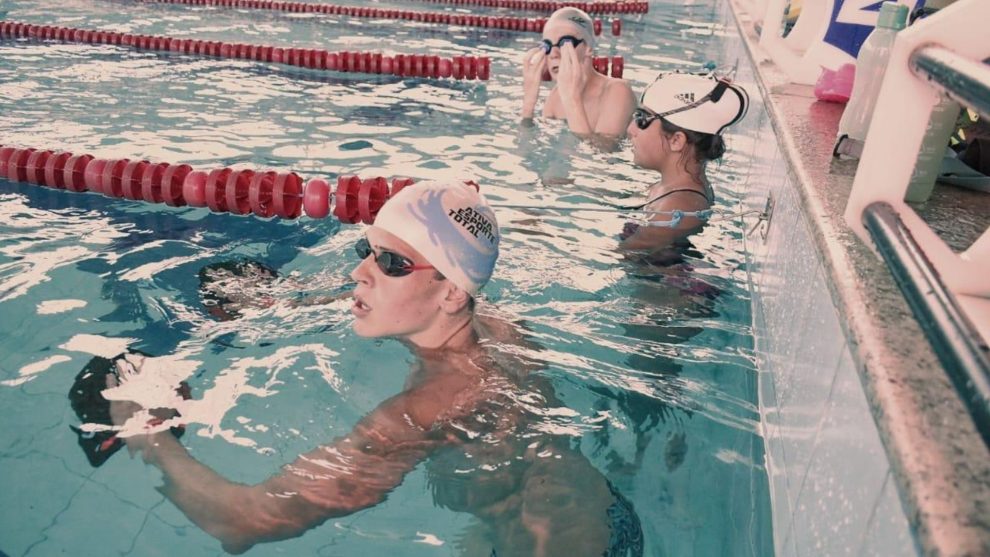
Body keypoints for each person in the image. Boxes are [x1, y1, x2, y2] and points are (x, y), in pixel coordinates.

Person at [105, 181, 643, 556]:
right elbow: (402, 293)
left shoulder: (425, 410)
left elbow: (243, 520)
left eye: (390, 262)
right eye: (369, 250)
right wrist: (284, 302)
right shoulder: (498, 325)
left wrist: (146, 431)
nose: (360, 272)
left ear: (451, 293)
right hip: (595, 516)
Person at [620, 71, 749, 254]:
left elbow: (619, 256)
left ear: (676, 141)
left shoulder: (677, 206)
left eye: (642, 119)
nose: (631, 129)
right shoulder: (672, 189)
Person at [521, 7, 636, 144]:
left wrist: (572, 100)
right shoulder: (555, 98)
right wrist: (528, 104)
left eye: (565, 43)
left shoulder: (617, 91)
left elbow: (603, 157)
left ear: (588, 48)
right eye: (547, 45)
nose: (553, 54)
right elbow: (528, 151)